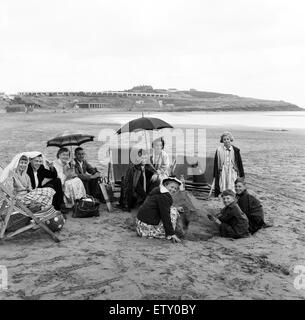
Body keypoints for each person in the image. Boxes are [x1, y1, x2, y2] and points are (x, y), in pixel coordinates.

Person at [136, 176, 182, 243]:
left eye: (176, 188)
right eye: (172, 187)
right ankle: (170, 235)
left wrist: (175, 208)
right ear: (166, 185)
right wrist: (171, 233)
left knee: (172, 209)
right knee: (173, 212)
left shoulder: (158, 190)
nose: (173, 190)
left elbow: (161, 206)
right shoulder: (164, 196)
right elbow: (165, 216)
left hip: (140, 225)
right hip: (146, 229)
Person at [213, 131, 245, 197]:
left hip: (232, 169)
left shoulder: (235, 150)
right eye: (224, 139)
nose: (226, 141)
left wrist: (241, 173)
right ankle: (224, 194)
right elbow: (216, 163)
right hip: (223, 169)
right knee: (223, 182)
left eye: (228, 139)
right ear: (222, 140)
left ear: (230, 139)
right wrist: (215, 173)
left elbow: (239, 162)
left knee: (232, 181)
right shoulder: (219, 150)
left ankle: (233, 194)